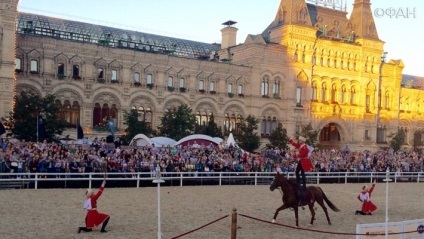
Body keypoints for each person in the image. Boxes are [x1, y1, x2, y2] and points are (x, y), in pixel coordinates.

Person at [288, 136, 314, 205]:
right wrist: (290, 139)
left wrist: (294, 156)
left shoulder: (305, 147)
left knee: (302, 173)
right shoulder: (301, 145)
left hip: (304, 161)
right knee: (298, 172)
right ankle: (299, 182)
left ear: (302, 141)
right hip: (302, 161)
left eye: (300, 140)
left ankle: (303, 184)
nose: (299, 141)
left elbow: (302, 154)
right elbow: (295, 144)